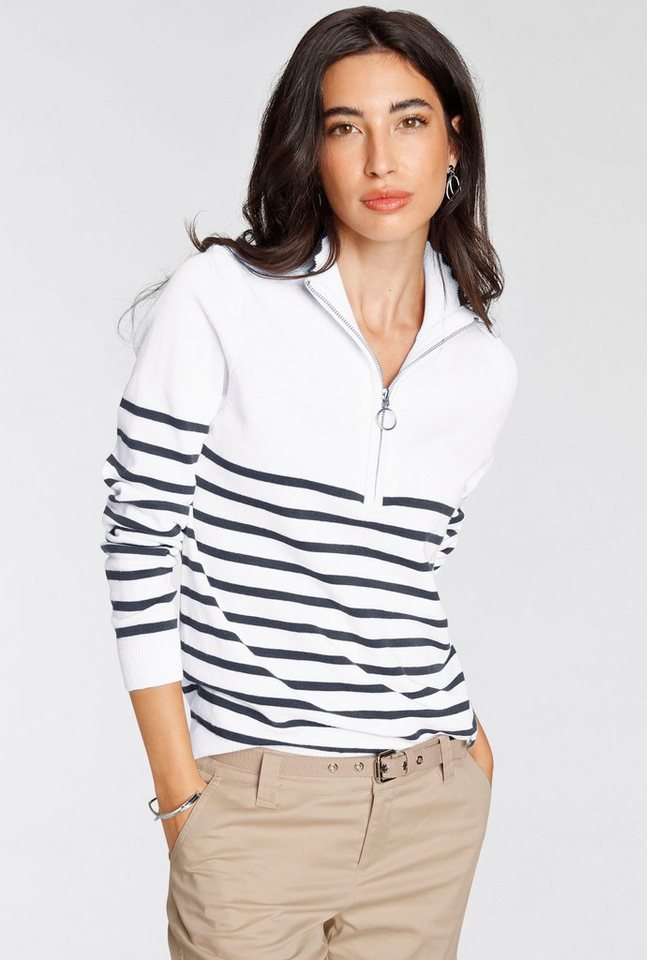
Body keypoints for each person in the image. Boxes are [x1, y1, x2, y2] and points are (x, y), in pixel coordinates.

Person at [100, 7, 518, 959]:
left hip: (430, 802)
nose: (381, 159)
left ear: (454, 142)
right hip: (255, 806)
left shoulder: (481, 368)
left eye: (410, 121)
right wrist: (180, 794)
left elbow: (407, 579)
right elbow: (138, 539)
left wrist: (472, 753)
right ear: (310, 149)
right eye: (345, 126)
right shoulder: (222, 300)